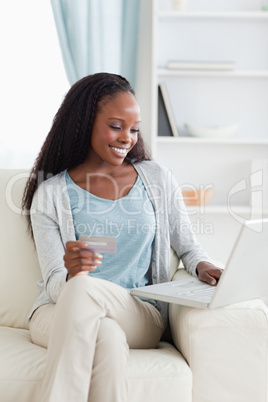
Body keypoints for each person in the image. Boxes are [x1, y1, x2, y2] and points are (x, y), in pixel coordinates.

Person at [22, 72, 222, 402]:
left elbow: (186, 243)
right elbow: (57, 283)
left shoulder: (156, 178)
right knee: (106, 337)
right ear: (85, 122)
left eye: (134, 128)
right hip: (55, 311)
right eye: (116, 126)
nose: (127, 137)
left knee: (84, 288)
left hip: (137, 311)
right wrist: (71, 273)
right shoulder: (51, 194)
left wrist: (201, 264)